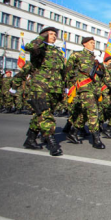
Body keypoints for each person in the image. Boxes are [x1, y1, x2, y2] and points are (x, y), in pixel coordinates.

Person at [19, 26, 65, 156]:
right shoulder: (39, 49)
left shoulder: (57, 52)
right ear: (44, 35)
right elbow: (30, 47)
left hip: (54, 89)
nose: (54, 36)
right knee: (46, 115)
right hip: (40, 88)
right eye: (50, 34)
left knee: (41, 114)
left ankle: (30, 139)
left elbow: (62, 72)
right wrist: (41, 37)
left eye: (55, 34)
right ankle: (52, 143)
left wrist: (63, 88)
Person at [64, 36, 106, 149]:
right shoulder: (76, 55)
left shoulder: (96, 58)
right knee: (93, 112)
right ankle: (96, 139)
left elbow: (103, 73)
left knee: (83, 113)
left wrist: (101, 64)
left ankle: (73, 132)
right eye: (91, 43)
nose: (93, 44)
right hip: (84, 88)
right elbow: (68, 71)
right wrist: (72, 84)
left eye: (94, 43)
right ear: (84, 44)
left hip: (95, 88)